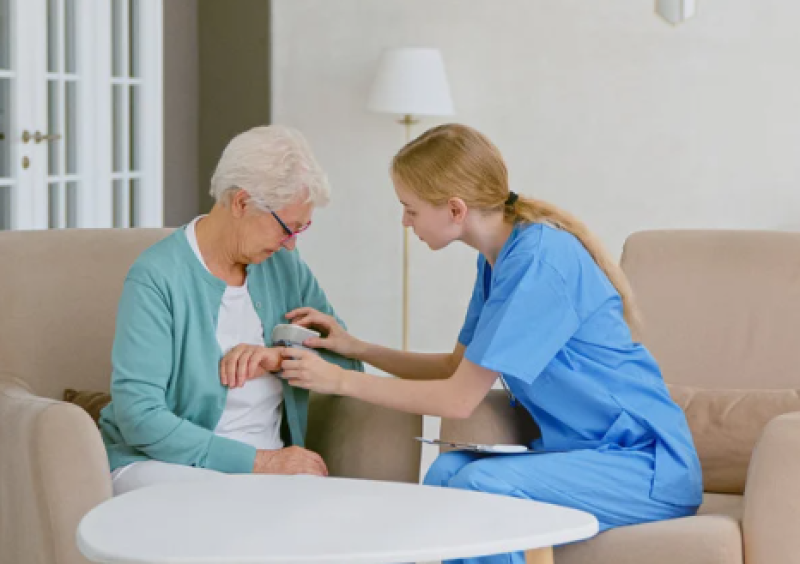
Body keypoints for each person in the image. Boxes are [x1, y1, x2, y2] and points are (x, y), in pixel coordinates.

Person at [272, 124, 702, 564]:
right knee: (446, 473)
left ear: (455, 209)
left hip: (644, 464)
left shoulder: (540, 262)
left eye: (410, 209)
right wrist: (356, 348)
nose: (405, 221)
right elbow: (454, 369)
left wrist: (339, 381)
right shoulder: (498, 260)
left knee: (481, 488)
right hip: (582, 457)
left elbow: (458, 400)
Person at [98, 125, 362, 496]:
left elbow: (348, 367)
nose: (290, 245)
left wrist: (278, 358)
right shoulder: (156, 277)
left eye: (301, 230)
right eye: (287, 228)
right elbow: (139, 417)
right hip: (163, 465)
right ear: (240, 203)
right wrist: (260, 462)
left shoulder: (286, 268)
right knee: (220, 511)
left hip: (269, 469)